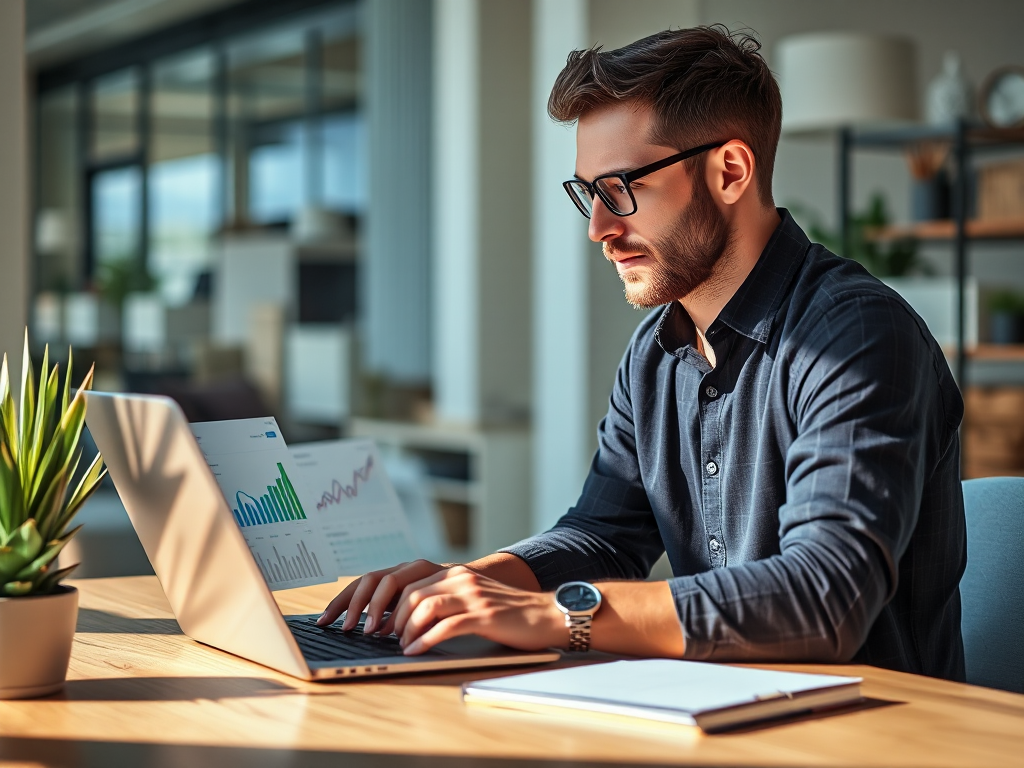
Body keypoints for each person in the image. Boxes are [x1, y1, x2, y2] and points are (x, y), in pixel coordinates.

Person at [319, 25, 966, 680]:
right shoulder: (657, 352)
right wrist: (466, 584)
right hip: (717, 711)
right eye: (588, 195)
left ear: (730, 171)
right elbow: (603, 535)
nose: (600, 229)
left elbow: (825, 597)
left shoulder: (856, 338)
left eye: (622, 188)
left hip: (871, 732)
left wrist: (556, 617)